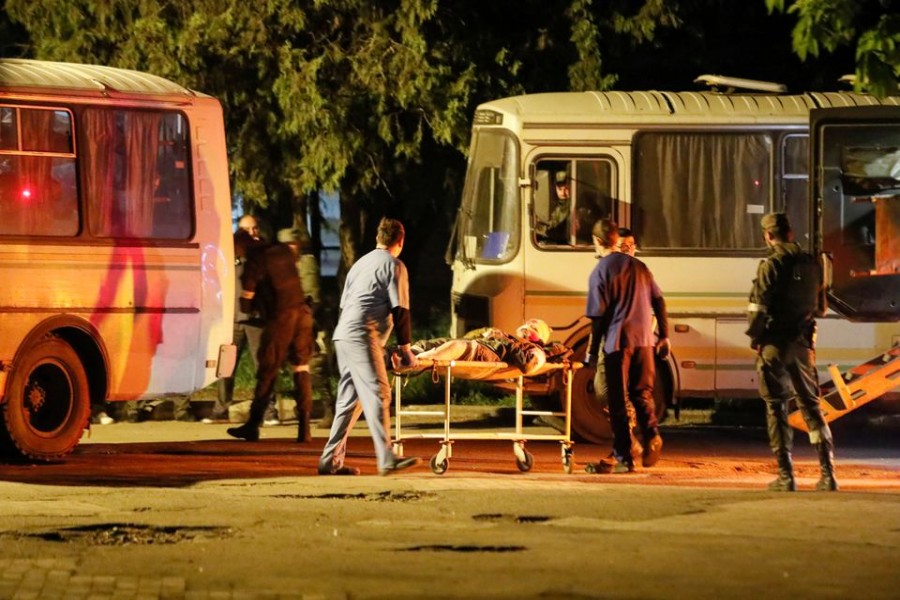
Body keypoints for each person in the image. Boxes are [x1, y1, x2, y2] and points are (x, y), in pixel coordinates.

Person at [317, 217, 421, 476]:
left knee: (349, 402)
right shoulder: (394, 265)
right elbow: (400, 309)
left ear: (378, 238)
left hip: (343, 335)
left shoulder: (359, 265)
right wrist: (406, 348)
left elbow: (344, 305)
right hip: (363, 336)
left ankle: (330, 461)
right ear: (401, 240)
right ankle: (386, 458)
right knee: (379, 393)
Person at [747, 212, 837, 492]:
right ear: (790, 233)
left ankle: (786, 476)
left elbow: (757, 311)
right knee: (811, 407)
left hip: (775, 345)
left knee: (776, 407)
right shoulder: (812, 263)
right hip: (802, 346)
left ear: (767, 236)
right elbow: (820, 307)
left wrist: (756, 339)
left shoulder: (771, 265)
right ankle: (828, 475)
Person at [584, 219, 670, 474]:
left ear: (599, 241)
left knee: (617, 400)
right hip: (645, 341)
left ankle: (625, 456)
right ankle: (652, 433)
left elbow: (597, 319)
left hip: (617, 342)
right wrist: (663, 335)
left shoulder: (601, 270)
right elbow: (659, 300)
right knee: (642, 393)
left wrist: (592, 351)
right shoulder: (642, 268)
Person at [227, 228, 315, 443]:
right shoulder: (283, 250)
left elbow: (246, 303)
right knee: (301, 368)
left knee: (267, 371)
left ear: (240, 246)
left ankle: (253, 425)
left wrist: (250, 302)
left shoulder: (253, 262)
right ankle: (304, 428)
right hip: (303, 315)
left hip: (281, 319)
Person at [203, 215, 278, 425]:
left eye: (255, 228)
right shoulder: (229, 251)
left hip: (256, 319)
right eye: (247, 230)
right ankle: (220, 410)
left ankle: (269, 411)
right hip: (232, 320)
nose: (252, 233)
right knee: (225, 367)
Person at [535, 170, 571, 243]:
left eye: (566, 189)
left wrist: (536, 226)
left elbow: (555, 232)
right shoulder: (558, 206)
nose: (563, 193)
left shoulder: (571, 206)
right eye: (560, 189)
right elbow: (553, 224)